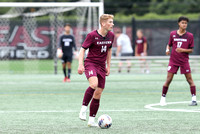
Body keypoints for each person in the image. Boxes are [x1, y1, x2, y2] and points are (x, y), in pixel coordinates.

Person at [78, 14, 114, 127]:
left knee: (98, 93)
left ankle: (91, 121)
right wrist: (80, 64)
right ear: (103, 23)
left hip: (102, 66)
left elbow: (109, 51)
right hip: (90, 64)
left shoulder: (111, 35)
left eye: (112, 22)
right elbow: (82, 50)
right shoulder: (92, 35)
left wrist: (108, 66)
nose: (112, 24)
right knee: (94, 84)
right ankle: (83, 109)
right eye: (110, 22)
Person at [160, 16, 197, 106]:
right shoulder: (172, 34)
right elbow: (169, 45)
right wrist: (167, 50)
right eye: (183, 23)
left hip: (184, 61)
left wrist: (182, 50)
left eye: (186, 23)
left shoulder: (190, 36)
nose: (184, 24)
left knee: (189, 80)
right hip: (173, 61)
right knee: (168, 79)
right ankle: (163, 99)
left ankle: (194, 100)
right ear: (179, 23)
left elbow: (191, 50)